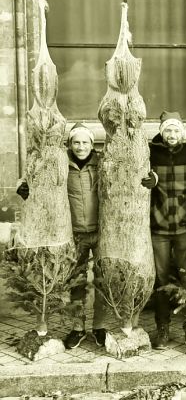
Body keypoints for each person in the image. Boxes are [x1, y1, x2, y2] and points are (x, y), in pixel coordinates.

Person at [17, 122, 108, 349]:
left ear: (91, 144)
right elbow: (33, 176)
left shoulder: (102, 163)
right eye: (76, 142)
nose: (80, 147)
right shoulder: (60, 164)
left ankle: (100, 327)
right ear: (69, 144)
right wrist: (24, 186)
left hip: (101, 231)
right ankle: (78, 328)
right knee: (76, 283)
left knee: (102, 281)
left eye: (84, 142)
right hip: (72, 232)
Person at [141, 110, 186, 354]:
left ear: (182, 131)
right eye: (168, 130)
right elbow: (139, 178)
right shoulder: (151, 152)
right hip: (160, 227)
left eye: (177, 130)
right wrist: (147, 182)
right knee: (162, 280)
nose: (173, 134)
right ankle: (163, 328)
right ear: (162, 131)